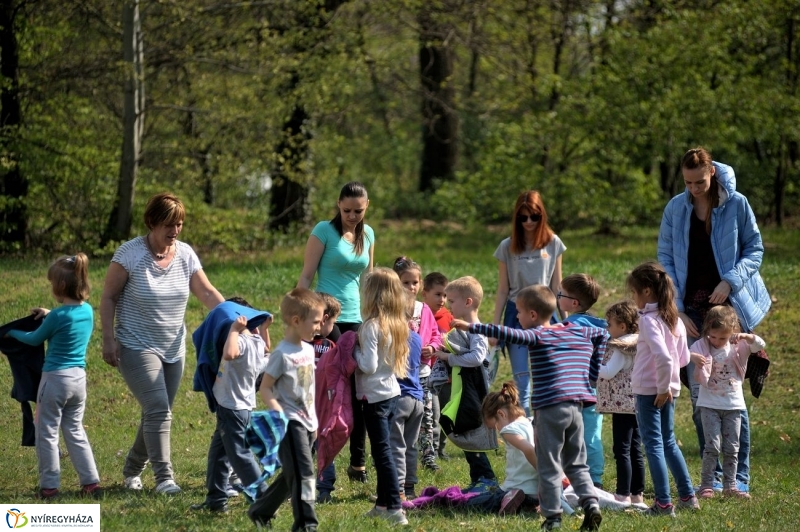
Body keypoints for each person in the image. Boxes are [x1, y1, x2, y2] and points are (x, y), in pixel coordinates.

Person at [658, 147, 770, 492]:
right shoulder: (676, 208)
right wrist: (675, 308)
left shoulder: (737, 204)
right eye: (688, 182)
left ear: (713, 174)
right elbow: (665, 257)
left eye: (700, 181)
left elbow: (755, 248)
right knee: (700, 397)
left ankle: (739, 478)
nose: (693, 188)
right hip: (689, 310)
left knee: (732, 396)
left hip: (729, 308)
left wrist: (730, 281)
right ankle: (714, 476)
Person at [100, 192, 224, 494]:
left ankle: (131, 470)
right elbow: (108, 297)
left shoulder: (184, 254)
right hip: (134, 343)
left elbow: (206, 293)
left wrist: (236, 317)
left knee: (158, 412)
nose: (175, 230)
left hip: (173, 347)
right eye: (169, 224)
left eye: (179, 224)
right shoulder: (129, 254)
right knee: (157, 409)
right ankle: (164, 478)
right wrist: (107, 339)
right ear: (152, 222)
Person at [454, 284, 605, 532]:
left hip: (550, 410)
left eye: (520, 313)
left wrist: (471, 327)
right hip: (575, 409)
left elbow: (505, 333)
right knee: (577, 463)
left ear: (533, 316)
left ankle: (553, 517)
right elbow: (603, 335)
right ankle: (591, 505)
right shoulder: (577, 332)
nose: (518, 319)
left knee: (547, 464)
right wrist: (592, 373)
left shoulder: (537, 335)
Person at [6, 254, 102, 499]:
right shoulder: (88, 311)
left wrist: (12, 332)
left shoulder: (58, 317)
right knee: (75, 429)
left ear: (59, 287)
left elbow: (34, 338)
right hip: (78, 380)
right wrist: (50, 314)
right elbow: (65, 319)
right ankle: (91, 483)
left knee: (46, 431)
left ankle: (49, 487)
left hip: (54, 381)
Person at [296, 181, 374, 483]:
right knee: (329, 388)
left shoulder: (367, 234)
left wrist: (373, 315)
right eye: (346, 210)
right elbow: (306, 274)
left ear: (366, 208)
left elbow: (368, 278)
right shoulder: (323, 232)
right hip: (327, 316)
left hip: (358, 316)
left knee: (360, 391)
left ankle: (358, 462)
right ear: (337, 205)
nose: (352, 216)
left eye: (358, 211)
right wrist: (299, 316)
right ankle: (319, 459)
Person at [248, 288, 325, 530]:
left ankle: (261, 510)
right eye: (315, 322)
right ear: (296, 321)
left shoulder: (308, 349)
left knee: (293, 474)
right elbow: (266, 388)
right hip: (290, 423)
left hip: (309, 421)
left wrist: (315, 418)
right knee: (304, 476)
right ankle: (306, 525)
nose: (319, 327)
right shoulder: (281, 354)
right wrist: (278, 413)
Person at [627, 262, 698, 516]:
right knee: (668, 442)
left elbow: (666, 359)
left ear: (647, 292)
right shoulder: (674, 319)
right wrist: (669, 384)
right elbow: (683, 359)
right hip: (670, 390)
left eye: (634, 293)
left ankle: (664, 503)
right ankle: (688, 497)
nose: (633, 298)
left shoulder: (648, 321)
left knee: (654, 444)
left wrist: (661, 386)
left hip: (651, 391)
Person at [191, 298, 271, 514]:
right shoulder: (256, 344)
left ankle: (265, 498)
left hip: (232, 408)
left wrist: (235, 330)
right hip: (239, 408)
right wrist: (264, 329)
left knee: (240, 455)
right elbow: (266, 350)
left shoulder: (241, 343)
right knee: (218, 454)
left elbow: (230, 353)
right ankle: (216, 500)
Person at [492, 190, 566, 416]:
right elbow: (503, 289)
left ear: (541, 215)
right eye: (523, 217)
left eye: (534, 216)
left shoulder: (553, 243)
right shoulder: (507, 246)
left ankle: (544, 425)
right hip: (518, 314)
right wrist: (495, 327)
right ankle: (525, 430)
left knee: (548, 376)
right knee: (522, 380)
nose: (529, 222)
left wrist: (567, 322)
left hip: (546, 314)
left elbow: (557, 286)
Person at [690, 306, 765, 500]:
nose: (716, 341)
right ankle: (706, 484)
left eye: (722, 338)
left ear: (732, 331)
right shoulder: (702, 345)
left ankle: (730, 486)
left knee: (732, 448)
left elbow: (759, 345)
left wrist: (748, 337)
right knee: (712, 446)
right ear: (707, 331)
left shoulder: (738, 346)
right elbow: (683, 353)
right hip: (709, 405)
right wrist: (694, 358)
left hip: (733, 406)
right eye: (713, 337)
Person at [355, 268, 411, 526]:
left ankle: (396, 509)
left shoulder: (370, 327)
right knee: (383, 450)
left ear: (371, 294)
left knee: (382, 453)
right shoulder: (398, 324)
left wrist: (352, 353)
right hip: (391, 393)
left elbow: (368, 365)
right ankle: (382, 505)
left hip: (374, 397)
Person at [436, 276, 498, 494]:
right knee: (464, 429)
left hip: (475, 392)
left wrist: (448, 358)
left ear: (468, 302)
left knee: (472, 431)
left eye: (452, 301)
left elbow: (476, 358)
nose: (448, 305)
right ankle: (478, 477)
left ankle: (487, 478)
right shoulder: (466, 329)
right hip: (465, 390)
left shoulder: (477, 329)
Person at [393, 256, 443, 482]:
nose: (411, 287)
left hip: (421, 373)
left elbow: (435, 334)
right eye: (406, 282)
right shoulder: (392, 309)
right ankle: (392, 456)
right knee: (398, 417)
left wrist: (432, 347)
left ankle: (428, 455)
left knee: (425, 416)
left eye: (415, 282)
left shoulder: (424, 309)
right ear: (396, 283)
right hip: (400, 373)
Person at [559, 273, 607, 489]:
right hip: (596, 389)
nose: (558, 297)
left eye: (561, 294)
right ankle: (595, 477)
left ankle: (569, 477)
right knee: (592, 434)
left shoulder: (567, 326)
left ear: (573, 303)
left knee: (568, 435)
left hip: (572, 389)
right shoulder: (602, 327)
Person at [596, 300, 646, 508]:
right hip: (638, 402)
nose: (608, 329)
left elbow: (608, 372)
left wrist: (592, 364)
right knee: (636, 448)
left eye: (610, 324)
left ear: (623, 326)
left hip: (622, 404)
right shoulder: (640, 342)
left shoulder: (620, 347)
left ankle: (623, 494)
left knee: (622, 449)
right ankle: (638, 494)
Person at [465, 380, 540, 516]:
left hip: (518, 488)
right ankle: (526, 505)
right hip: (537, 493)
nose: (498, 429)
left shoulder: (509, 429)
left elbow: (528, 449)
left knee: (471, 503)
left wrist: (544, 474)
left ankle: (508, 499)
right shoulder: (531, 422)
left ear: (501, 414)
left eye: (495, 425)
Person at [310, 293, 341, 504]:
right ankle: (297, 484)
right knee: (306, 444)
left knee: (324, 443)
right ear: (324, 318)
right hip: (305, 399)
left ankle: (324, 488)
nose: (334, 326)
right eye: (332, 322)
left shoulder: (335, 338)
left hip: (326, 401)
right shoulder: (304, 336)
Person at [422, 272, 453, 460]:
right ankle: (429, 450)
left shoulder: (449, 317)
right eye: (438, 294)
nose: (442, 299)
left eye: (445, 295)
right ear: (424, 293)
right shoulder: (420, 315)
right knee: (430, 415)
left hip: (446, 377)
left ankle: (441, 448)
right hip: (426, 373)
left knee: (444, 413)